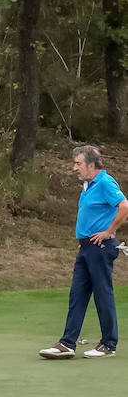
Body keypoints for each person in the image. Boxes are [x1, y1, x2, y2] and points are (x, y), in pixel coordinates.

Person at [39, 145, 128, 360]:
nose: (74, 168)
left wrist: (108, 231)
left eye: (78, 163)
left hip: (100, 247)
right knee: (77, 295)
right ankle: (67, 344)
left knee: (102, 294)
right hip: (86, 247)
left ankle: (108, 344)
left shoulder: (105, 182)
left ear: (90, 164)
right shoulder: (88, 185)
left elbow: (124, 206)